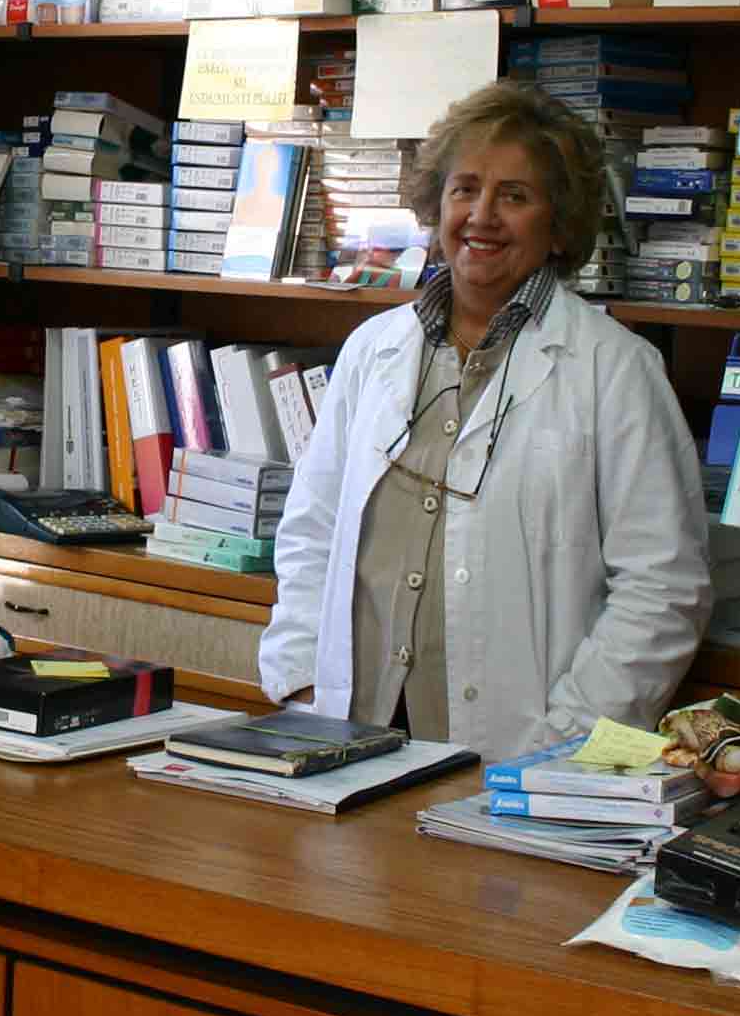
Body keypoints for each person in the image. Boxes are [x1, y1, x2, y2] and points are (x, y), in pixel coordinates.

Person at [261, 80, 713, 758]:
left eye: (516, 196)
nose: (482, 215)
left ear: (559, 223)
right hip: (351, 731)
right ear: (436, 204)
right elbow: (312, 530)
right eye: (465, 188)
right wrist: (303, 679)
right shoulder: (372, 350)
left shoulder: (615, 369)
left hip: (517, 748)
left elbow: (663, 585)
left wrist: (567, 735)